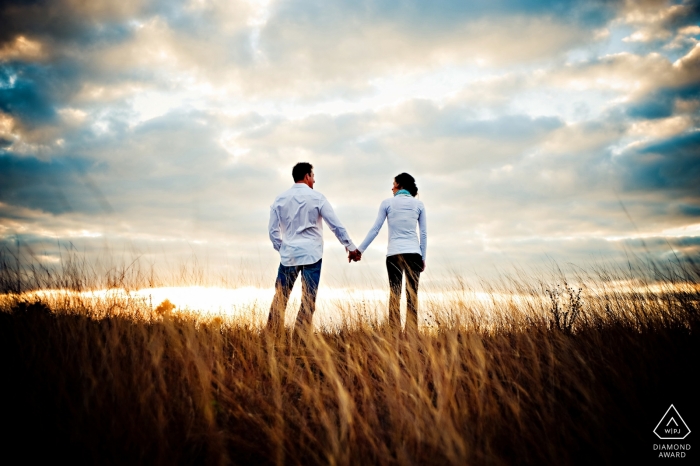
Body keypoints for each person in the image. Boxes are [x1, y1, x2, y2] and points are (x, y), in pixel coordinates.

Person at [267, 162, 359, 336]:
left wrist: (284, 248)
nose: (314, 181)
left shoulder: (280, 199)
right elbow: (335, 225)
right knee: (308, 300)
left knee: (280, 298)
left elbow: (273, 232)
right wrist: (351, 247)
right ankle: (300, 340)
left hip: (289, 256)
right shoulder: (317, 198)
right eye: (313, 176)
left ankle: (270, 338)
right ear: (307, 176)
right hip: (312, 255)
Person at [349, 173, 426, 335]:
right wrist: (423, 257)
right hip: (414, 254)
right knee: (412, 295)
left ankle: (394, 334)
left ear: (400, 186)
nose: (392, 188)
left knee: (395, 294)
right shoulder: (419, 205)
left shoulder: (387, 203)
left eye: (394, 184)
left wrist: (359, 250)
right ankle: (412, 336)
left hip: (394, 255)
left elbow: (375, 229)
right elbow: (423, 234)